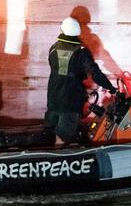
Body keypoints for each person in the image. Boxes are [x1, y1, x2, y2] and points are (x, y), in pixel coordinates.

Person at [45, 17, 117, 147]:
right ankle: (60, 162)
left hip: (53, 97)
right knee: (63, 137)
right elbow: (95, 73)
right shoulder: (81, 52)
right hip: (71, 100)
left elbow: (57, 70)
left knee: (52, 134)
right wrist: (111, 88)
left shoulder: (53, 48)